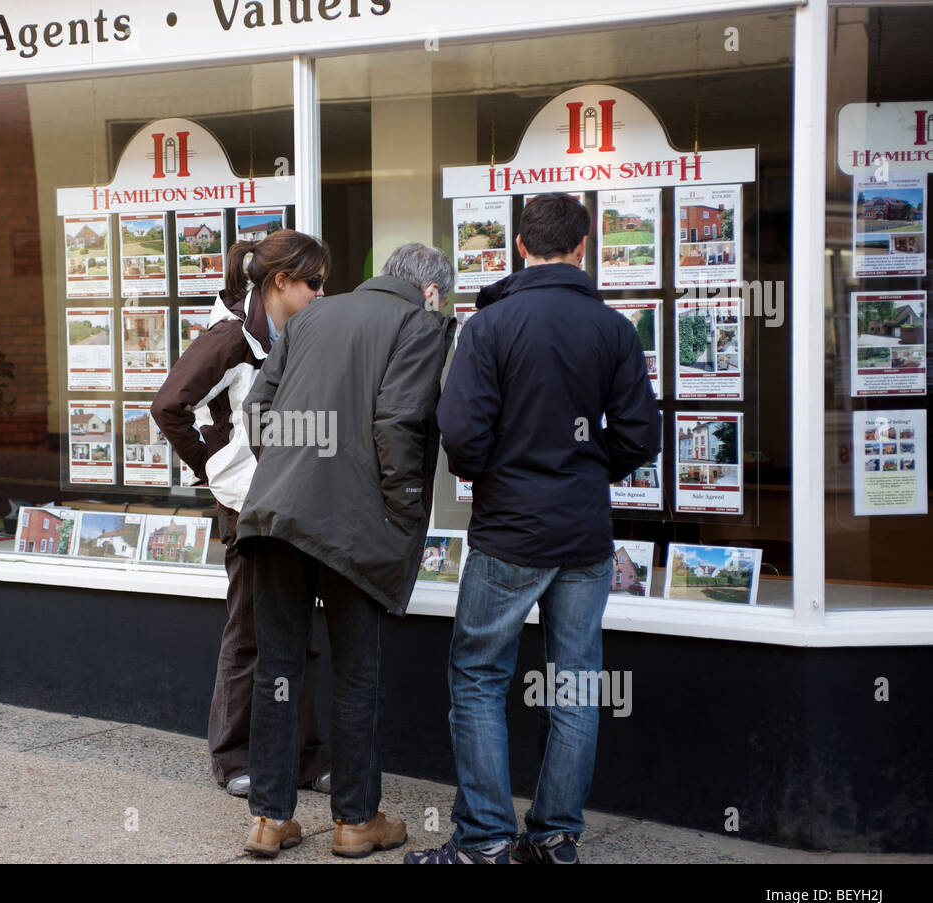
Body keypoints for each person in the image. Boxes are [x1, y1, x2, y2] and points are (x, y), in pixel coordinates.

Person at [404, 193, 661, 864]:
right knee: (575, 680)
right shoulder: (613, 328)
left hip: (509, 531)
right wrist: (584, 464)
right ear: (583, 247)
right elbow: (639, 436)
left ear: (520, 246)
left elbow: (459, 433)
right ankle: (554, 836)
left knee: (480, 677)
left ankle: (486, 839)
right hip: (582, 536)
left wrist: (498, 470)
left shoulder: (488, 327)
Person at [235, 243, 456, 858]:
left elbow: (256, 413)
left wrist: (288, 472)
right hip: (355, 528)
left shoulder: (310, 317)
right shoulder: (422, 323)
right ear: (433, 290)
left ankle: (269, 821)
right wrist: (402, 512)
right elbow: (398, 421)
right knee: (356, 672)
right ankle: (356, 821)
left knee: (278, 666)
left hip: (278, 517)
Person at [150, 228, 333, 799]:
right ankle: (232, 758)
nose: (322, 294)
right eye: (315, 283)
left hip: (292, 498)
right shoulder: (230, 337)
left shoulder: (292, 330)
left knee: (298, 634)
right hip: (250, 506)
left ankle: (303, 755)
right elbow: (168, 406)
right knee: (250, 633)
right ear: (281, 281)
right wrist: (214, 471)